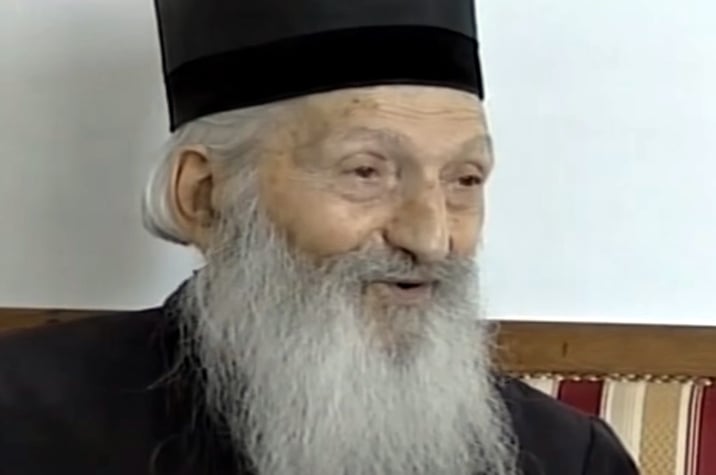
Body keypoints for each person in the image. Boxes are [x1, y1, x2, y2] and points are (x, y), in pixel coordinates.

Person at [0, 0, 639, 474]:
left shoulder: (565, 457)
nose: (431, 238)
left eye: (464, 179)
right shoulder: (20, 418)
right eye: (366, 171)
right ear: (205, 196)